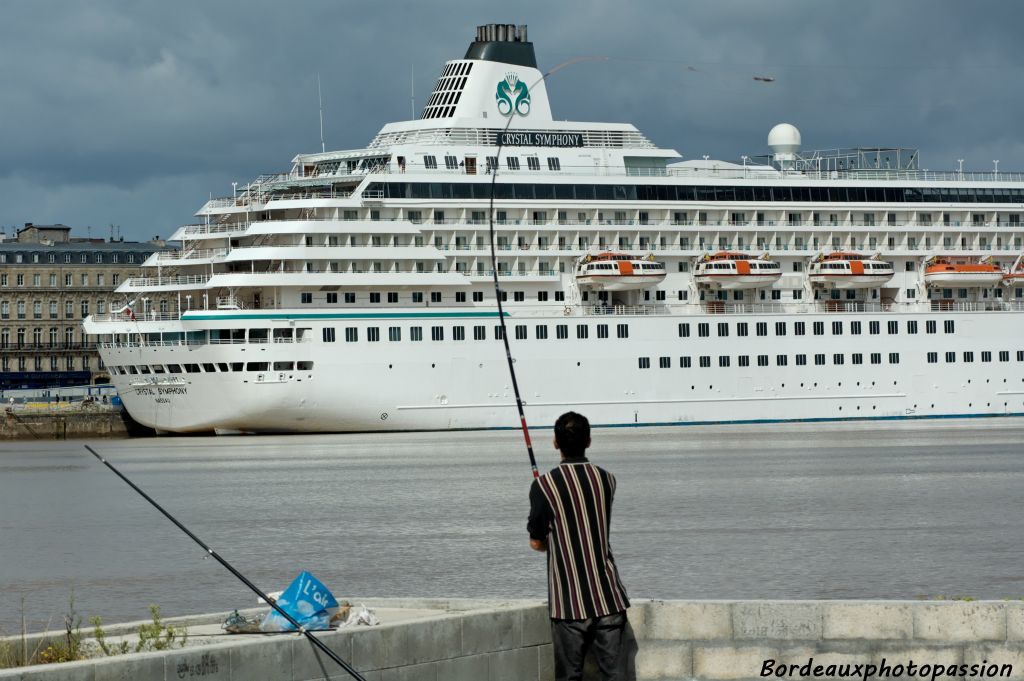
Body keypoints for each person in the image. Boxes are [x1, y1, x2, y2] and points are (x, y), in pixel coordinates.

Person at [527, 411, 630, 681]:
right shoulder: (607, 480)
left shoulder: (543, 486)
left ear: (555, 443)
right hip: (609, 597)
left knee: (568, 677)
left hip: (568, 603)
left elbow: (537, 541)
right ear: (589, 441)